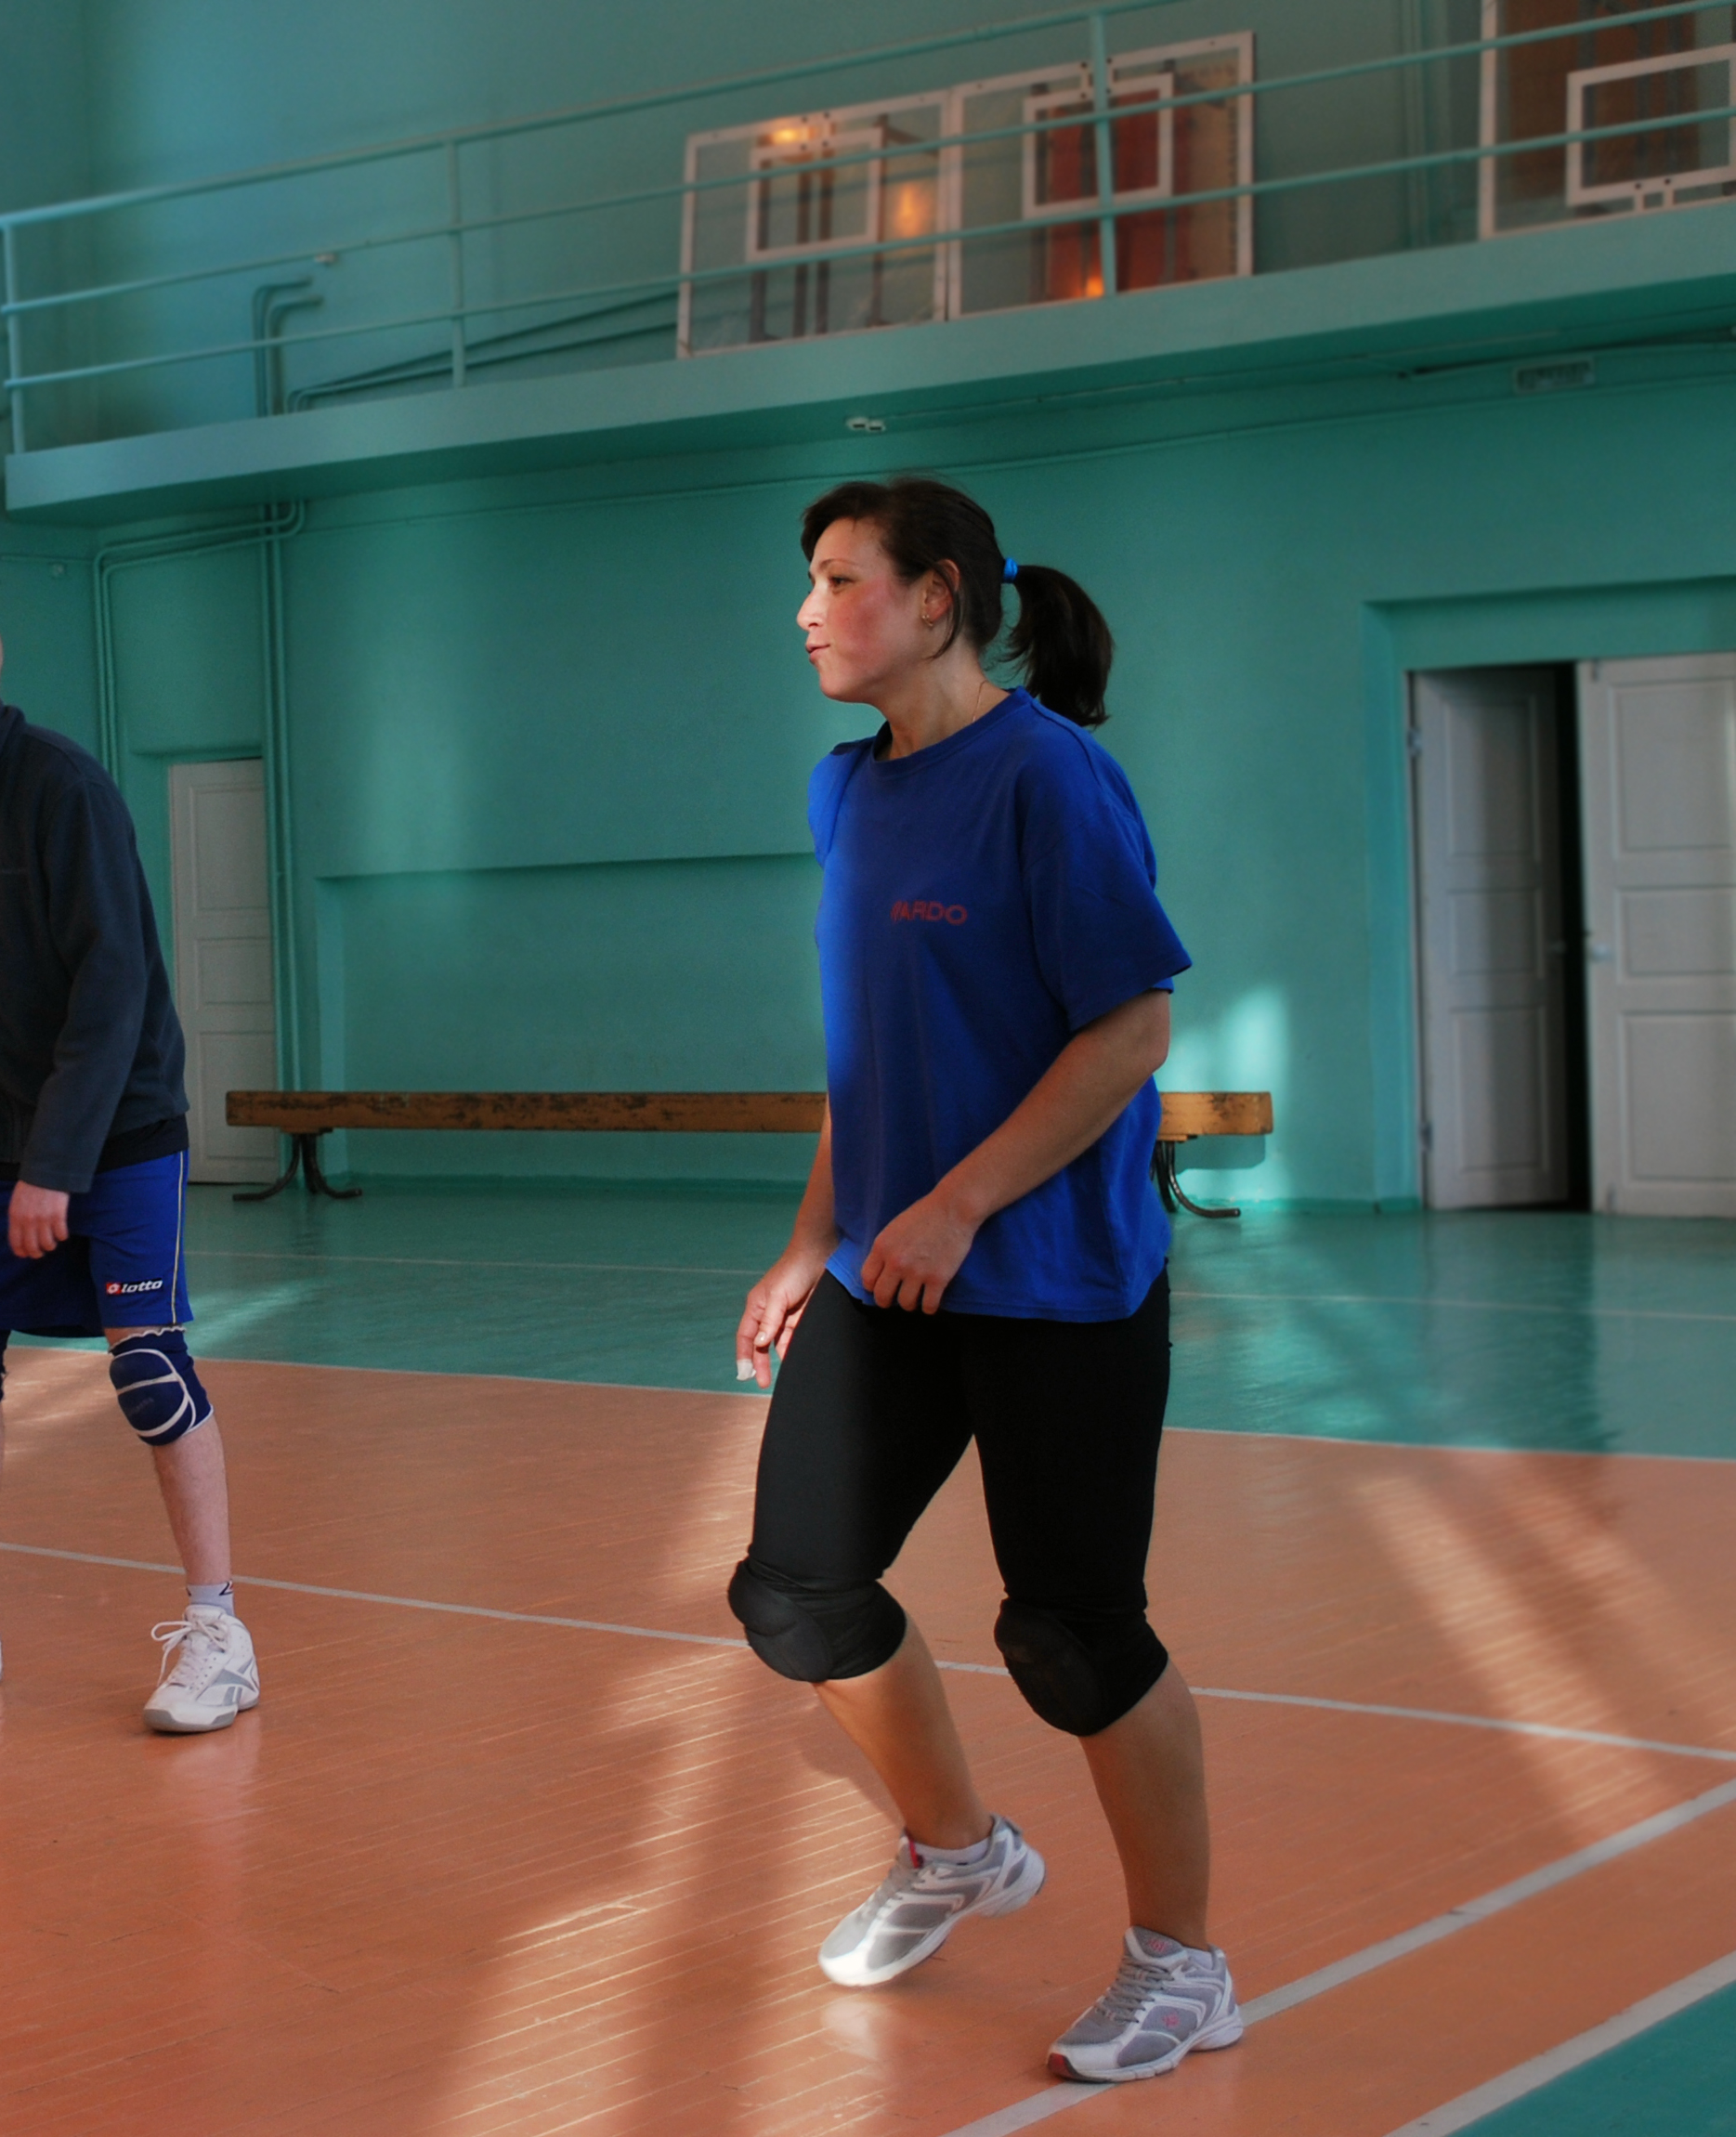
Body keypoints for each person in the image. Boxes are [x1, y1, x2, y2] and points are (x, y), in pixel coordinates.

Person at [728, 476, 1233, 2084]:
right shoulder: (847, 790)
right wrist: (810, 1236)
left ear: (937, 596)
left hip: (1054, 1277)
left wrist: (956, 1204)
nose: (807, 612)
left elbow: (1130, 1030)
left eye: (838, 580)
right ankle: (955, 1847)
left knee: (1071, 1634)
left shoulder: (1047, 775)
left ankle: (1183, 1963)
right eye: (808, 582)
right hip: (889, 1269)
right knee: (797, 1591)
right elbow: (869, 1050)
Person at [0, 593, 256, 1735]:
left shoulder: (65, 790)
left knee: (148, 1369)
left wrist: (58, 1165)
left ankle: (219, 1634)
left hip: (116, 1130)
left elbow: (110, 992)